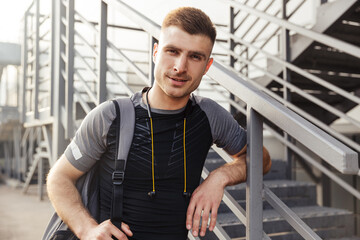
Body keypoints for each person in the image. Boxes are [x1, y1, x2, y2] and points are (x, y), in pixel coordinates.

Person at [46, 6, 271, 240]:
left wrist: (220, 177)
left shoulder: (210, 115)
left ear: (207, 66)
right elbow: (59, 177)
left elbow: (261, 159)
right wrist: (87, 229)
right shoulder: (110, 116)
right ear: (155, 52)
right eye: (172, 51)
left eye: (195, 56)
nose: (180, 67)